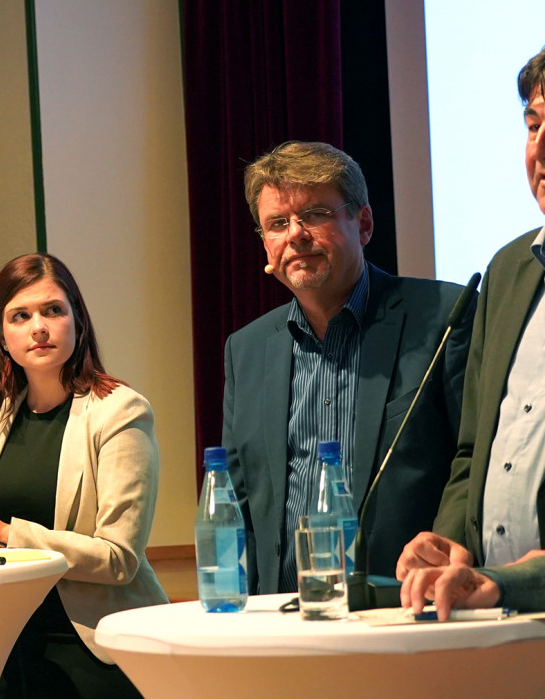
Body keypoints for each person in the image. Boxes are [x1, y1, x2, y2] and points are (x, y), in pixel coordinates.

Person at [221, 141, 474, 594]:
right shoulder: (247, 349)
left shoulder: (443, 317)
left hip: (407, 610)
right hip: (280, 621)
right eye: (277, 223)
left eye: (316, 214)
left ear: (364, 224)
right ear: (265, 244)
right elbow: (239, 497)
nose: (295, 234)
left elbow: (473, 457)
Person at [0, 253, 167, 699]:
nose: (38, 327)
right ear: (2, 337)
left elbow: (119, 559)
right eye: (20, 316)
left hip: (93, 645)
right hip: (10, 642)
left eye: (53, 311)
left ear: (77, 322)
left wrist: (5, 533)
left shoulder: (120, 411)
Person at [397, 45, 545, 617]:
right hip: (498, 621)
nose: (540, 147)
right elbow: (472, 450)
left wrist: (519, 580)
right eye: (533, 125)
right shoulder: (510, 269)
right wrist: (449, 540)